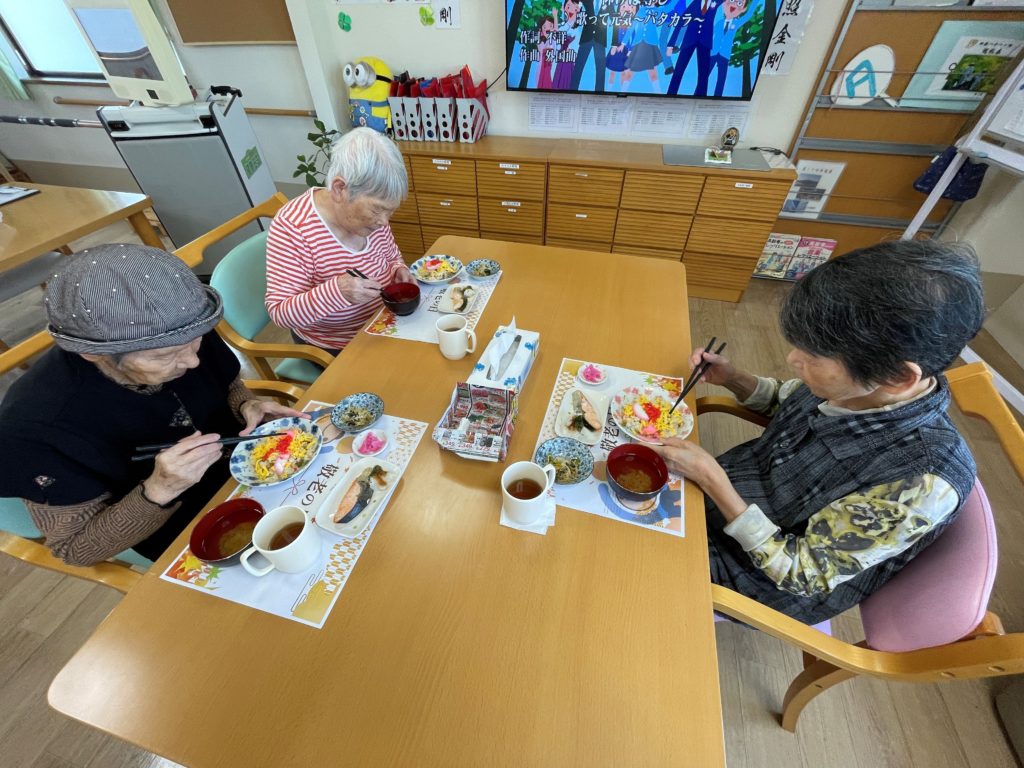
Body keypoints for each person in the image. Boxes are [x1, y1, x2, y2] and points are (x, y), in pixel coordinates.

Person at [650, 241, 985, 625]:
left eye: (814, 356)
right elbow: (787, 400)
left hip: (752, 573)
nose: (793, 360)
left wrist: (714, 482)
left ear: (897, 376)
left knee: (614, 561)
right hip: (716, 497)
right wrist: (733, 378)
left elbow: (801, 573)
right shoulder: (858, 386)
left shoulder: (922, 482)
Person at [0, 245, 306, 566]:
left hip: (257, 472)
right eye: (163, 356)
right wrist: (159, 489)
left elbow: (227, 382)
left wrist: (244, 404)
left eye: (196, 343)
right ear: (93, 353)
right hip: (191, 531)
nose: (192, 361)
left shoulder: (184, 326)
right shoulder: (34, 428)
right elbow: (77, 549)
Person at [265, 127, 414, 354]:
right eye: (377, 210)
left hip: (384, 321)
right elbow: (280, 312)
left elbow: (391, 254)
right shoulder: (294, 227)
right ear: (340, 189)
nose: (384, 222)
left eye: (390, 212)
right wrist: (337, 292)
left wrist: (398, 268)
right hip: (339, 344)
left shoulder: (372, 218)